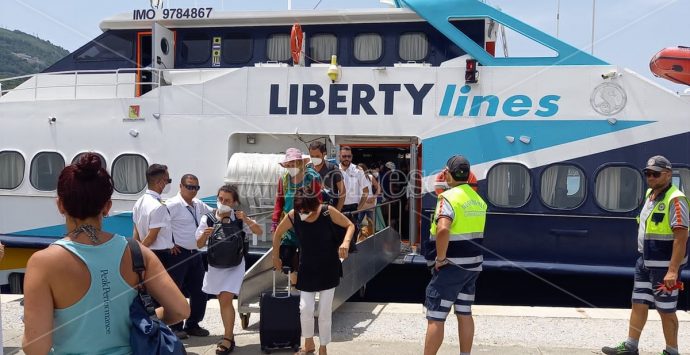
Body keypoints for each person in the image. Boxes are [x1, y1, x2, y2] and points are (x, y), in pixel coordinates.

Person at [22, 153, 189, 354]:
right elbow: (180, 310)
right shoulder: (136, 251)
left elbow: (35, 348)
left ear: (60, 205)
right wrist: (142, 320)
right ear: (108, 207)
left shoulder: (43, 263)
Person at [602, 155, 689, 355]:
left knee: (666, 310)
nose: (650, 177)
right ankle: (631, 346)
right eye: (648, 173)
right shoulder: (650, 194)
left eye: (655, 174)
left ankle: (672, 351)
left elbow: (681, 238)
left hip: (665, 267)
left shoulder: (676, 200)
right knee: (638, 303)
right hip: (644, 262)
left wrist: (673, 271)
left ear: (668, 174)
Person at [272, 188, 355, 355]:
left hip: (329, 266)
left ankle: (323, 346)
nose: (304, 214)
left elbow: (350, 225)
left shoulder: (326, 212)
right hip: (307, 266)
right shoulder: (294, 214)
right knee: (305, 308)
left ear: (315, 205)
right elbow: (278, 233)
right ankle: (308, 343)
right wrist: (276, 257)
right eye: (301, 210)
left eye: (307, 211)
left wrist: (345, 242)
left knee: (324, 311)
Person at [423, 155, 487, 355]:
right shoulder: (478, 200)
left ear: (449, 174)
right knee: (464, 312)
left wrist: (440, 258)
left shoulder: (448, 198)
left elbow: (443, 229)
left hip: (450, 266)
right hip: (473, 266)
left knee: (436, 316)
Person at [196, 185, 263, 355]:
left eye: (227, 200)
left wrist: (246, 219)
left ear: (234, 202)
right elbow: (198, 244)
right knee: (221, 299)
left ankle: (228, 338)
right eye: (220, 199)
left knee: (225, 298)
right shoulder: (209, 218)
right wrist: (205, 235)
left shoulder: (239, 218)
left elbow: (259, 231)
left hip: (234, 265)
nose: (222, 202)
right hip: (216, 265)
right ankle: (229, 333)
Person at [166, 174, 213, 337]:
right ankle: (175, 326)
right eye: (190, 187)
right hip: (178, 255)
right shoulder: (171, 205)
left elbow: (214, 214)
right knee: (175, 291)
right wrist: (169, 243)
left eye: (196, 188)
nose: (193, 190)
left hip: (196, 253)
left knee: (200, 290)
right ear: (181, 186)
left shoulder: (198, 205)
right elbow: (162, 225)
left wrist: (231, 211)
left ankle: (193, 324)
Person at [271, 148, 322, 285]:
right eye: (288, 164)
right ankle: (296, 284)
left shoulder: (311, 178)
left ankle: (304, 286)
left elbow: (319, 200)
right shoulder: (284, 180)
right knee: (286, 257)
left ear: (300, 163)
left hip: (308, 222)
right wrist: (275, 222)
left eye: (293, 163)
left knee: (306, 258)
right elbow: (279, 202)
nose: (290, 167)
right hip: (290, 223)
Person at [308, 141, 345, 211]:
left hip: (329, 211)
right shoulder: (308, 169)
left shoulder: (333, 168)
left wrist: (337, 211)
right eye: (312, 156)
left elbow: (342, 192)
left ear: (324, 154)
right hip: (312, 211)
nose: (314, 158)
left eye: (317, 156)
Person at [339, 146, 369, 222]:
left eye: (349, 156)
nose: (347, 158)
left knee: (353, 232)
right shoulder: (335, 169)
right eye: (344, 156)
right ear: (339, 156)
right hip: (338, 206)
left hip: (353, 208)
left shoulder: (358, 170)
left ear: (352, 157)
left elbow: (366, 191)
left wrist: (359, 208)